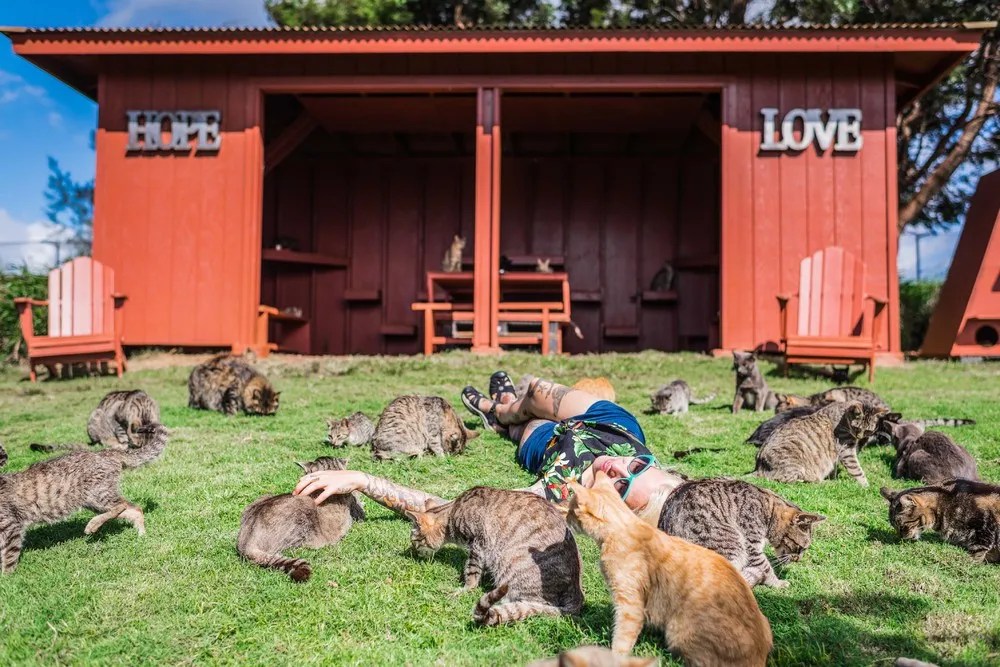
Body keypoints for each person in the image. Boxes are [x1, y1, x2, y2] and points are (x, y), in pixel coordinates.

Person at [293, 372, 685, 524]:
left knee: (527, 429)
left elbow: (453, 506)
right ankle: (499, 407)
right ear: (645, 457)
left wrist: (362, 479)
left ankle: (499, 420)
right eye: (637, 465)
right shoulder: (625, 429)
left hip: (541, 443)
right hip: (593, 420)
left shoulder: (559, 495)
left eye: (621, 487)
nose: (617, 467)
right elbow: (545, 396)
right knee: (534, 394)